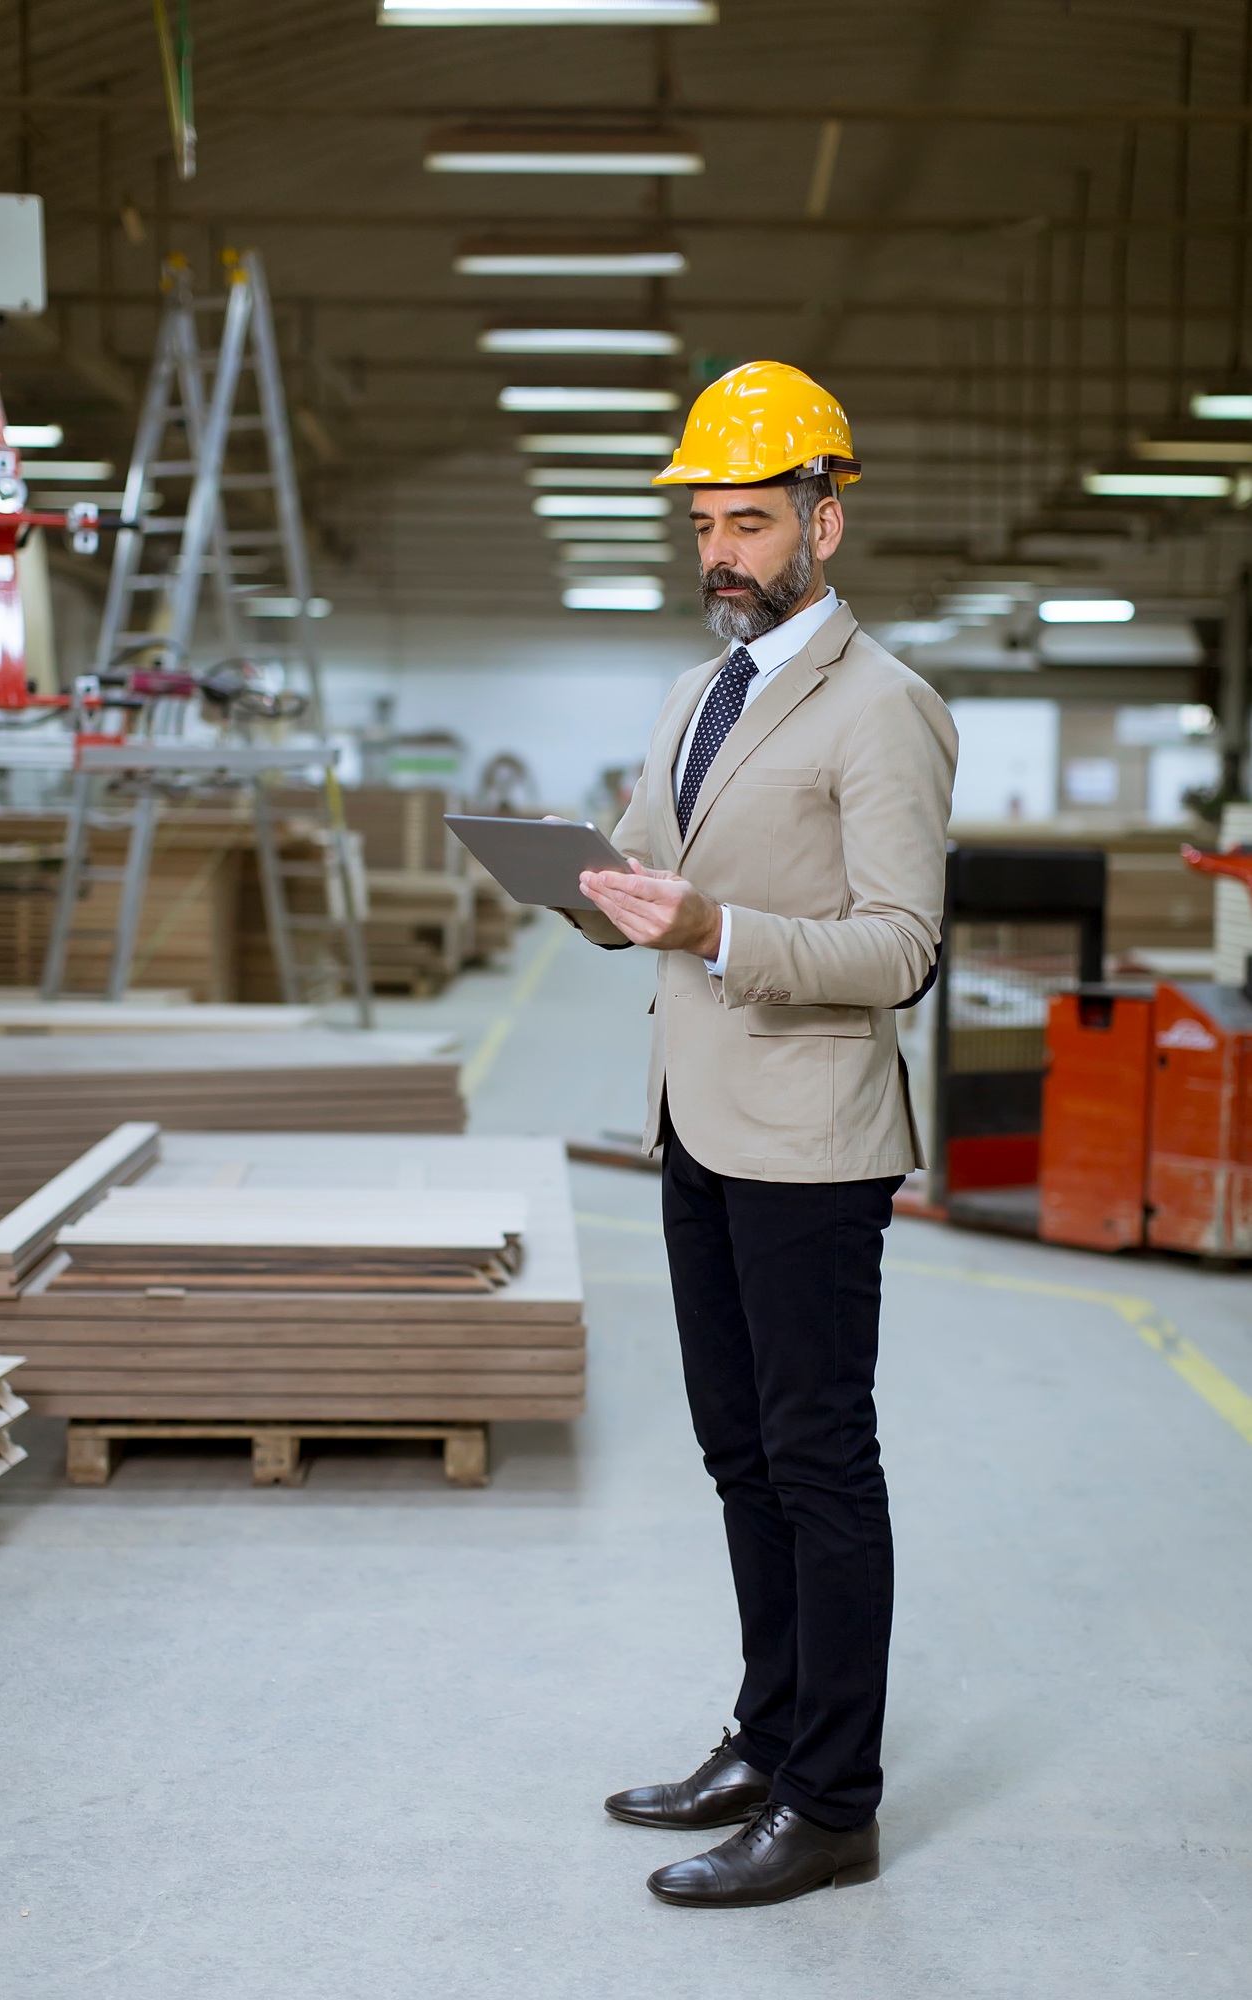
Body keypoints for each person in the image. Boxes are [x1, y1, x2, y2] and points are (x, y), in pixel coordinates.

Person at [561, 361, 957, 1910]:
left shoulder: (884, 708)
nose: (720, 549)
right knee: (737, 1454)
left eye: (749, 520)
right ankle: (767, 1730)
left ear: (823, 521)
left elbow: (899, 950)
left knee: (816, 1459)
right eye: (705, 523)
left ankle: (833, 1802)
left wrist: (716, 926)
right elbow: (651, 871)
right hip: (696, 1118)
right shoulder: (692, 693)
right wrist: (584, 891)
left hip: (812, 1134)